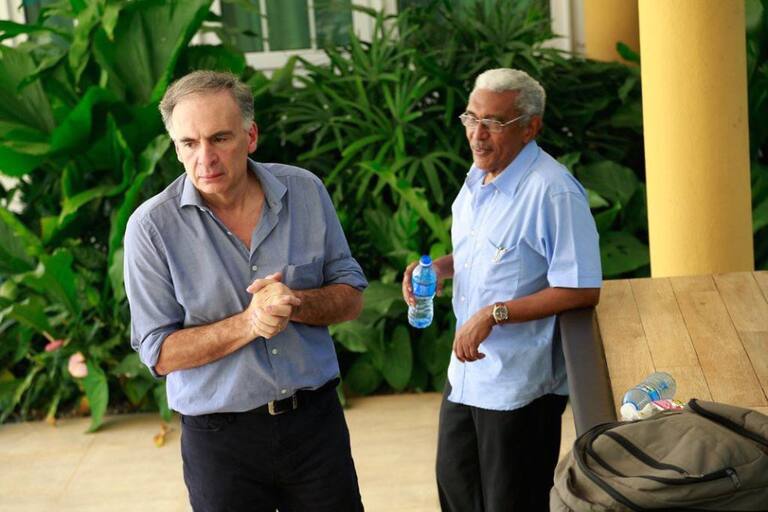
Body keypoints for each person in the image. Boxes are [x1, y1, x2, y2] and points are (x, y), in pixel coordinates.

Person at [124, 70, 366, 512]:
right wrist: (250, 322)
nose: (205, 158)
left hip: (315, 427)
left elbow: (351, 295)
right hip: (220, 444)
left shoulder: (305, 192)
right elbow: (158, 352)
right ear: (175, 148)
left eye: (220, 138)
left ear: (250, 136)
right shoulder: (151, 228)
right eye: (189, 143)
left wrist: (294, 303)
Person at [402, 68, 602, 511]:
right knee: (456, 494)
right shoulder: (477, 178)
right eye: (471, 118)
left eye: (493, 122)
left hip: (520, 387)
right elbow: (484, 253)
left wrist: (494, 314)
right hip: (466, 377)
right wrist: (437, 268)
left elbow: (581, 288)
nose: (478, 134)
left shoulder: (553, 192)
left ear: (530, 127)